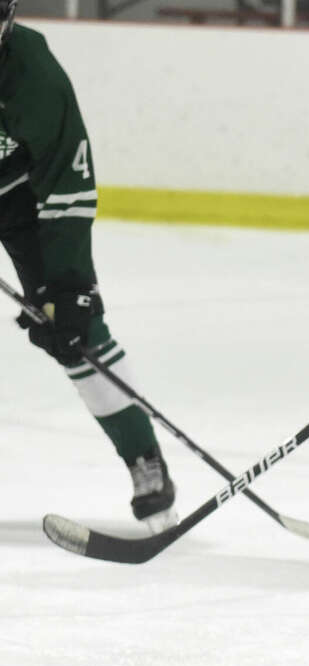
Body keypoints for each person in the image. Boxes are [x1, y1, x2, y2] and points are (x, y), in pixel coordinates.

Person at [0, 3, 176, 531]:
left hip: (23, 201)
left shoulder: (33, 71)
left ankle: (143, 458)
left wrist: (71, 285)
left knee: (72, 330)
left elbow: (66, 188)